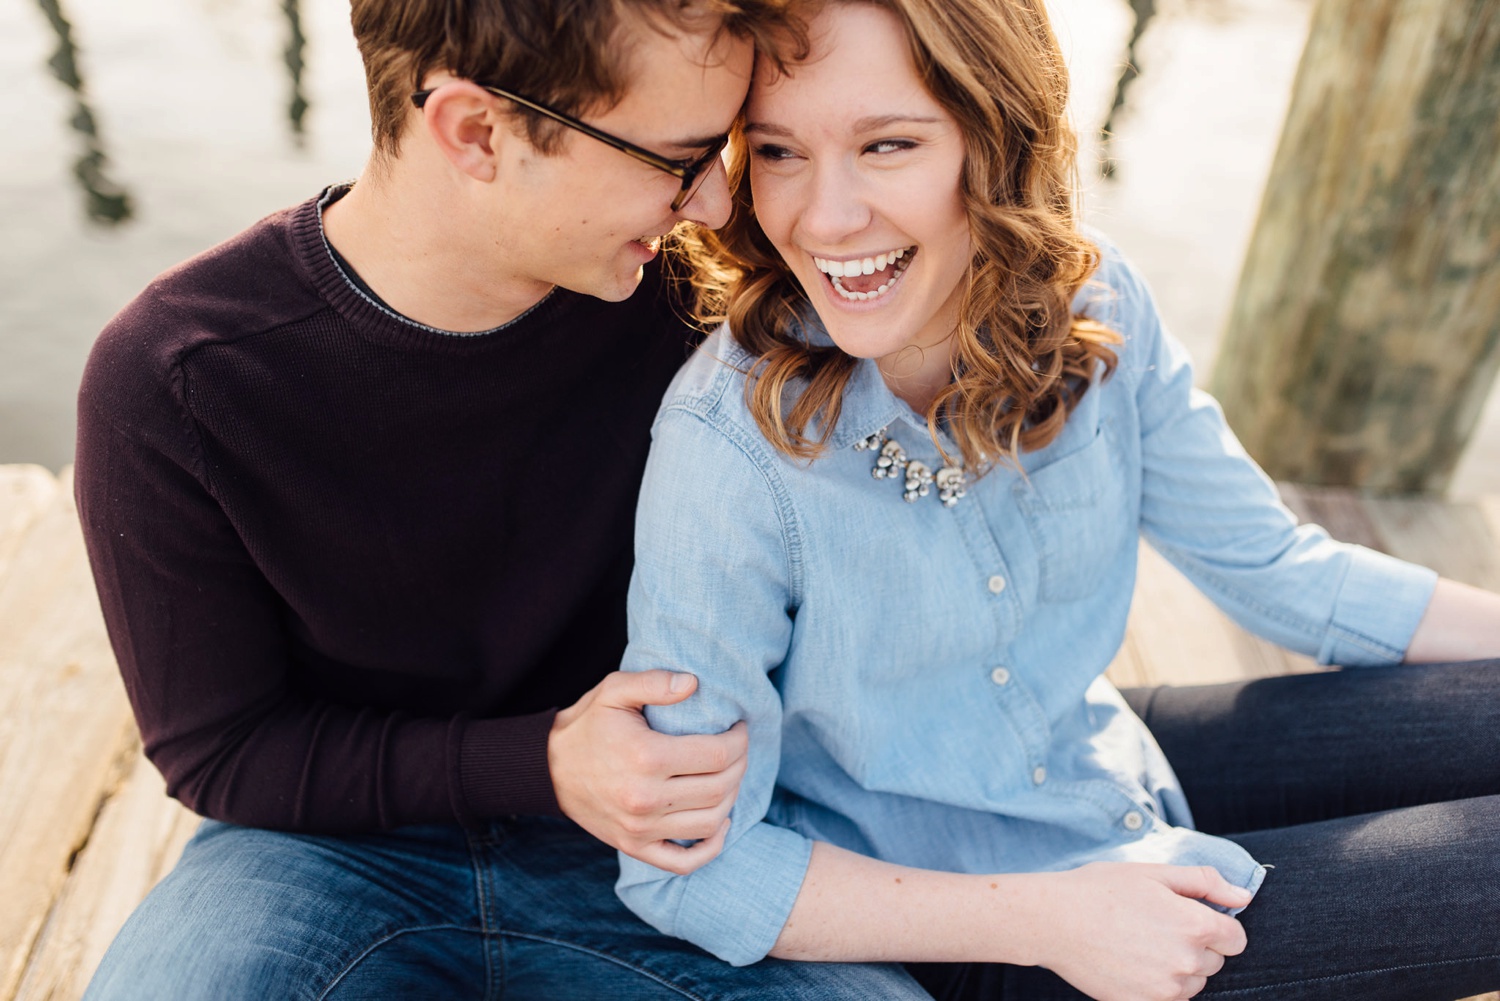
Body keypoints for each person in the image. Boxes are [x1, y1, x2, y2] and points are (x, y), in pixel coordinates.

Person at [613, 0, 1500, 998]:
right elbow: (683, 869)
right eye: (777, 152)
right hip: (976, 931)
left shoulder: (1095, 305)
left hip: (1100, 757)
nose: (824, 216)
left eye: (888, 143)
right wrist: (1045, 916)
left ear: (996, 134)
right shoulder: (729, 446)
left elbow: (1277, 567)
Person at [72, 0, 928, 996]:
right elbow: (223, 748)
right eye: (680, 158)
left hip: (675, 841)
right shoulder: (176, 378)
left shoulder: (702, 299)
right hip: (328, 847)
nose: (709, 205)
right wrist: (546, 760)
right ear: (476, 132)